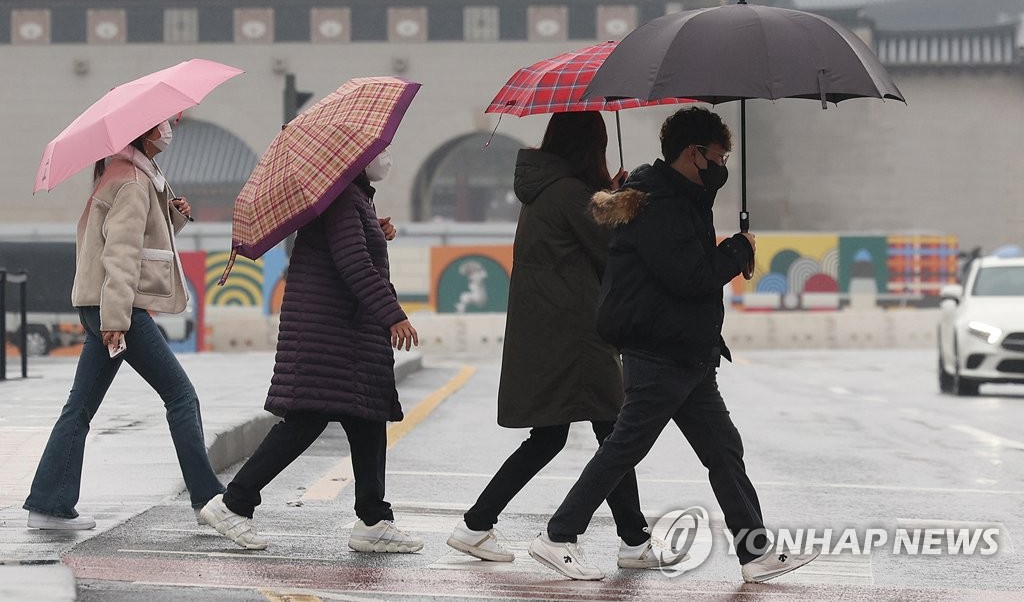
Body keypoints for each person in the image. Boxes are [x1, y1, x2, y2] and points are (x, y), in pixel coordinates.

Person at [527, 107, 819, 582]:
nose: (722, 166)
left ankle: (755, 553)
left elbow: (691, 267)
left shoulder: (683, 198)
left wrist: (727, 249)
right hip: (660, 351)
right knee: (623, 449)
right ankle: (558, 535)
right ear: (693, 152)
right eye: (718, 156)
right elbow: (690, 276)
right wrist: (737, 250)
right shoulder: (659, 203)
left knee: (724, 451)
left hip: (689, 353)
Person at [447, 111, 676, 570]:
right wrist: (625, 203)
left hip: (552, 329)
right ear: (588, 147)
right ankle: (631, 542)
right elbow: (611, 251)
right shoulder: (572, 195)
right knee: (613, 428)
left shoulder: (548, 191)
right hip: (574, 334)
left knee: (557, 435)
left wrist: (609, 196)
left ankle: (475, 525)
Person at [201, 147, 423, 553]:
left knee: (369, 418)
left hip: (346, 333)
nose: (387, 157)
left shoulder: (351, 198)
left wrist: (375, 226)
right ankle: (233, 504)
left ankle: (373, 520)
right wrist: (393, 315)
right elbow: (354, 263)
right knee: (306, 420)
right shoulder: (342, 199)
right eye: (381, 150)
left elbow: (352, 246)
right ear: (357, 159)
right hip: (332, 333)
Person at [24, 120, 225, 530]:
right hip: (118, 308)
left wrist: (173, 215)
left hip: (100, 304)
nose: (168, 132)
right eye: (162, 126)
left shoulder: (118, 173)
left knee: (79, 407)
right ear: (145, 134)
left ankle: (49, 504)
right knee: (181, 396)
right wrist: (116, 320)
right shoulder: (133, 181)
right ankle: (209, 499)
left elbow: (132, 238)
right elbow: (121, 255)